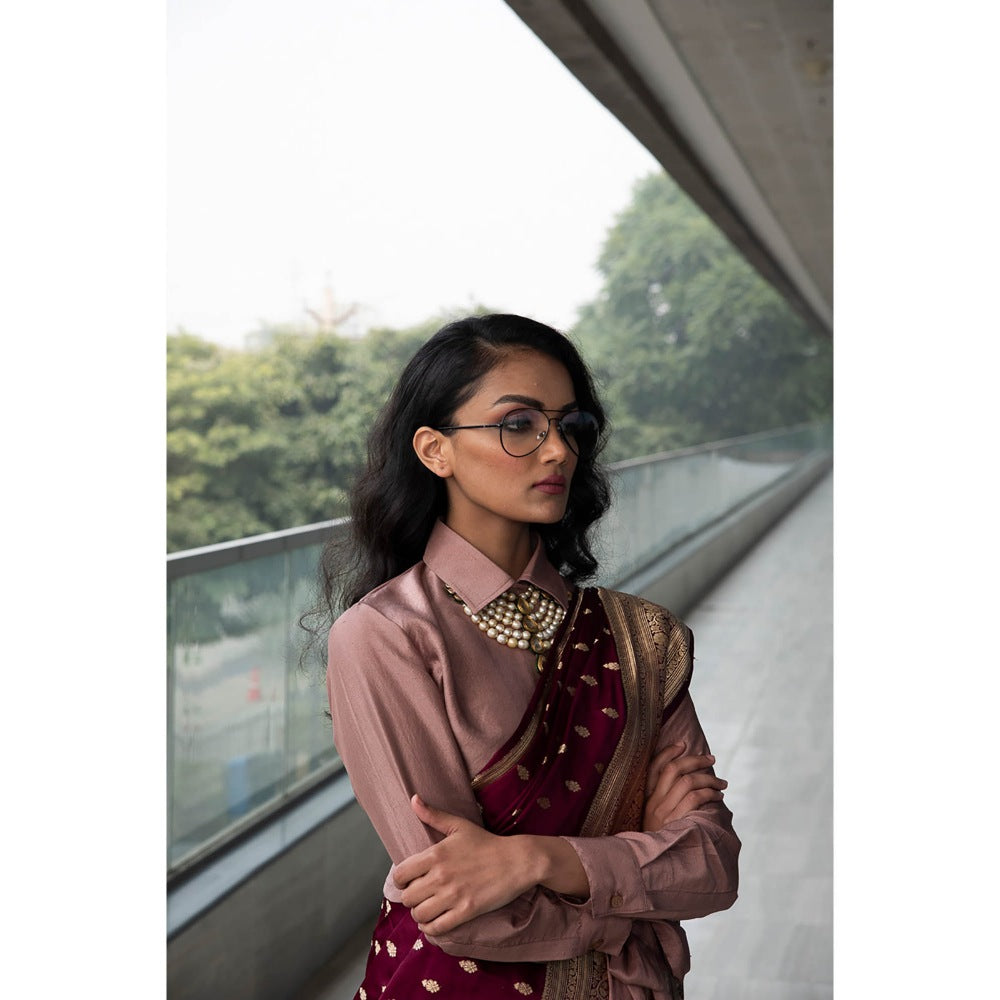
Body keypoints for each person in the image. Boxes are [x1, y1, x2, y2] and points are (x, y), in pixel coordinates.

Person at [321, 314, 739, 1000]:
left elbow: (712, 864)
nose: (558, 452)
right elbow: (458, 911)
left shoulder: (641, 638)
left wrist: (531, 858)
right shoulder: (386, 636)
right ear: (435, 450)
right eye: (519, 425)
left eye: (570, 426)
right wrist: (628, 899)